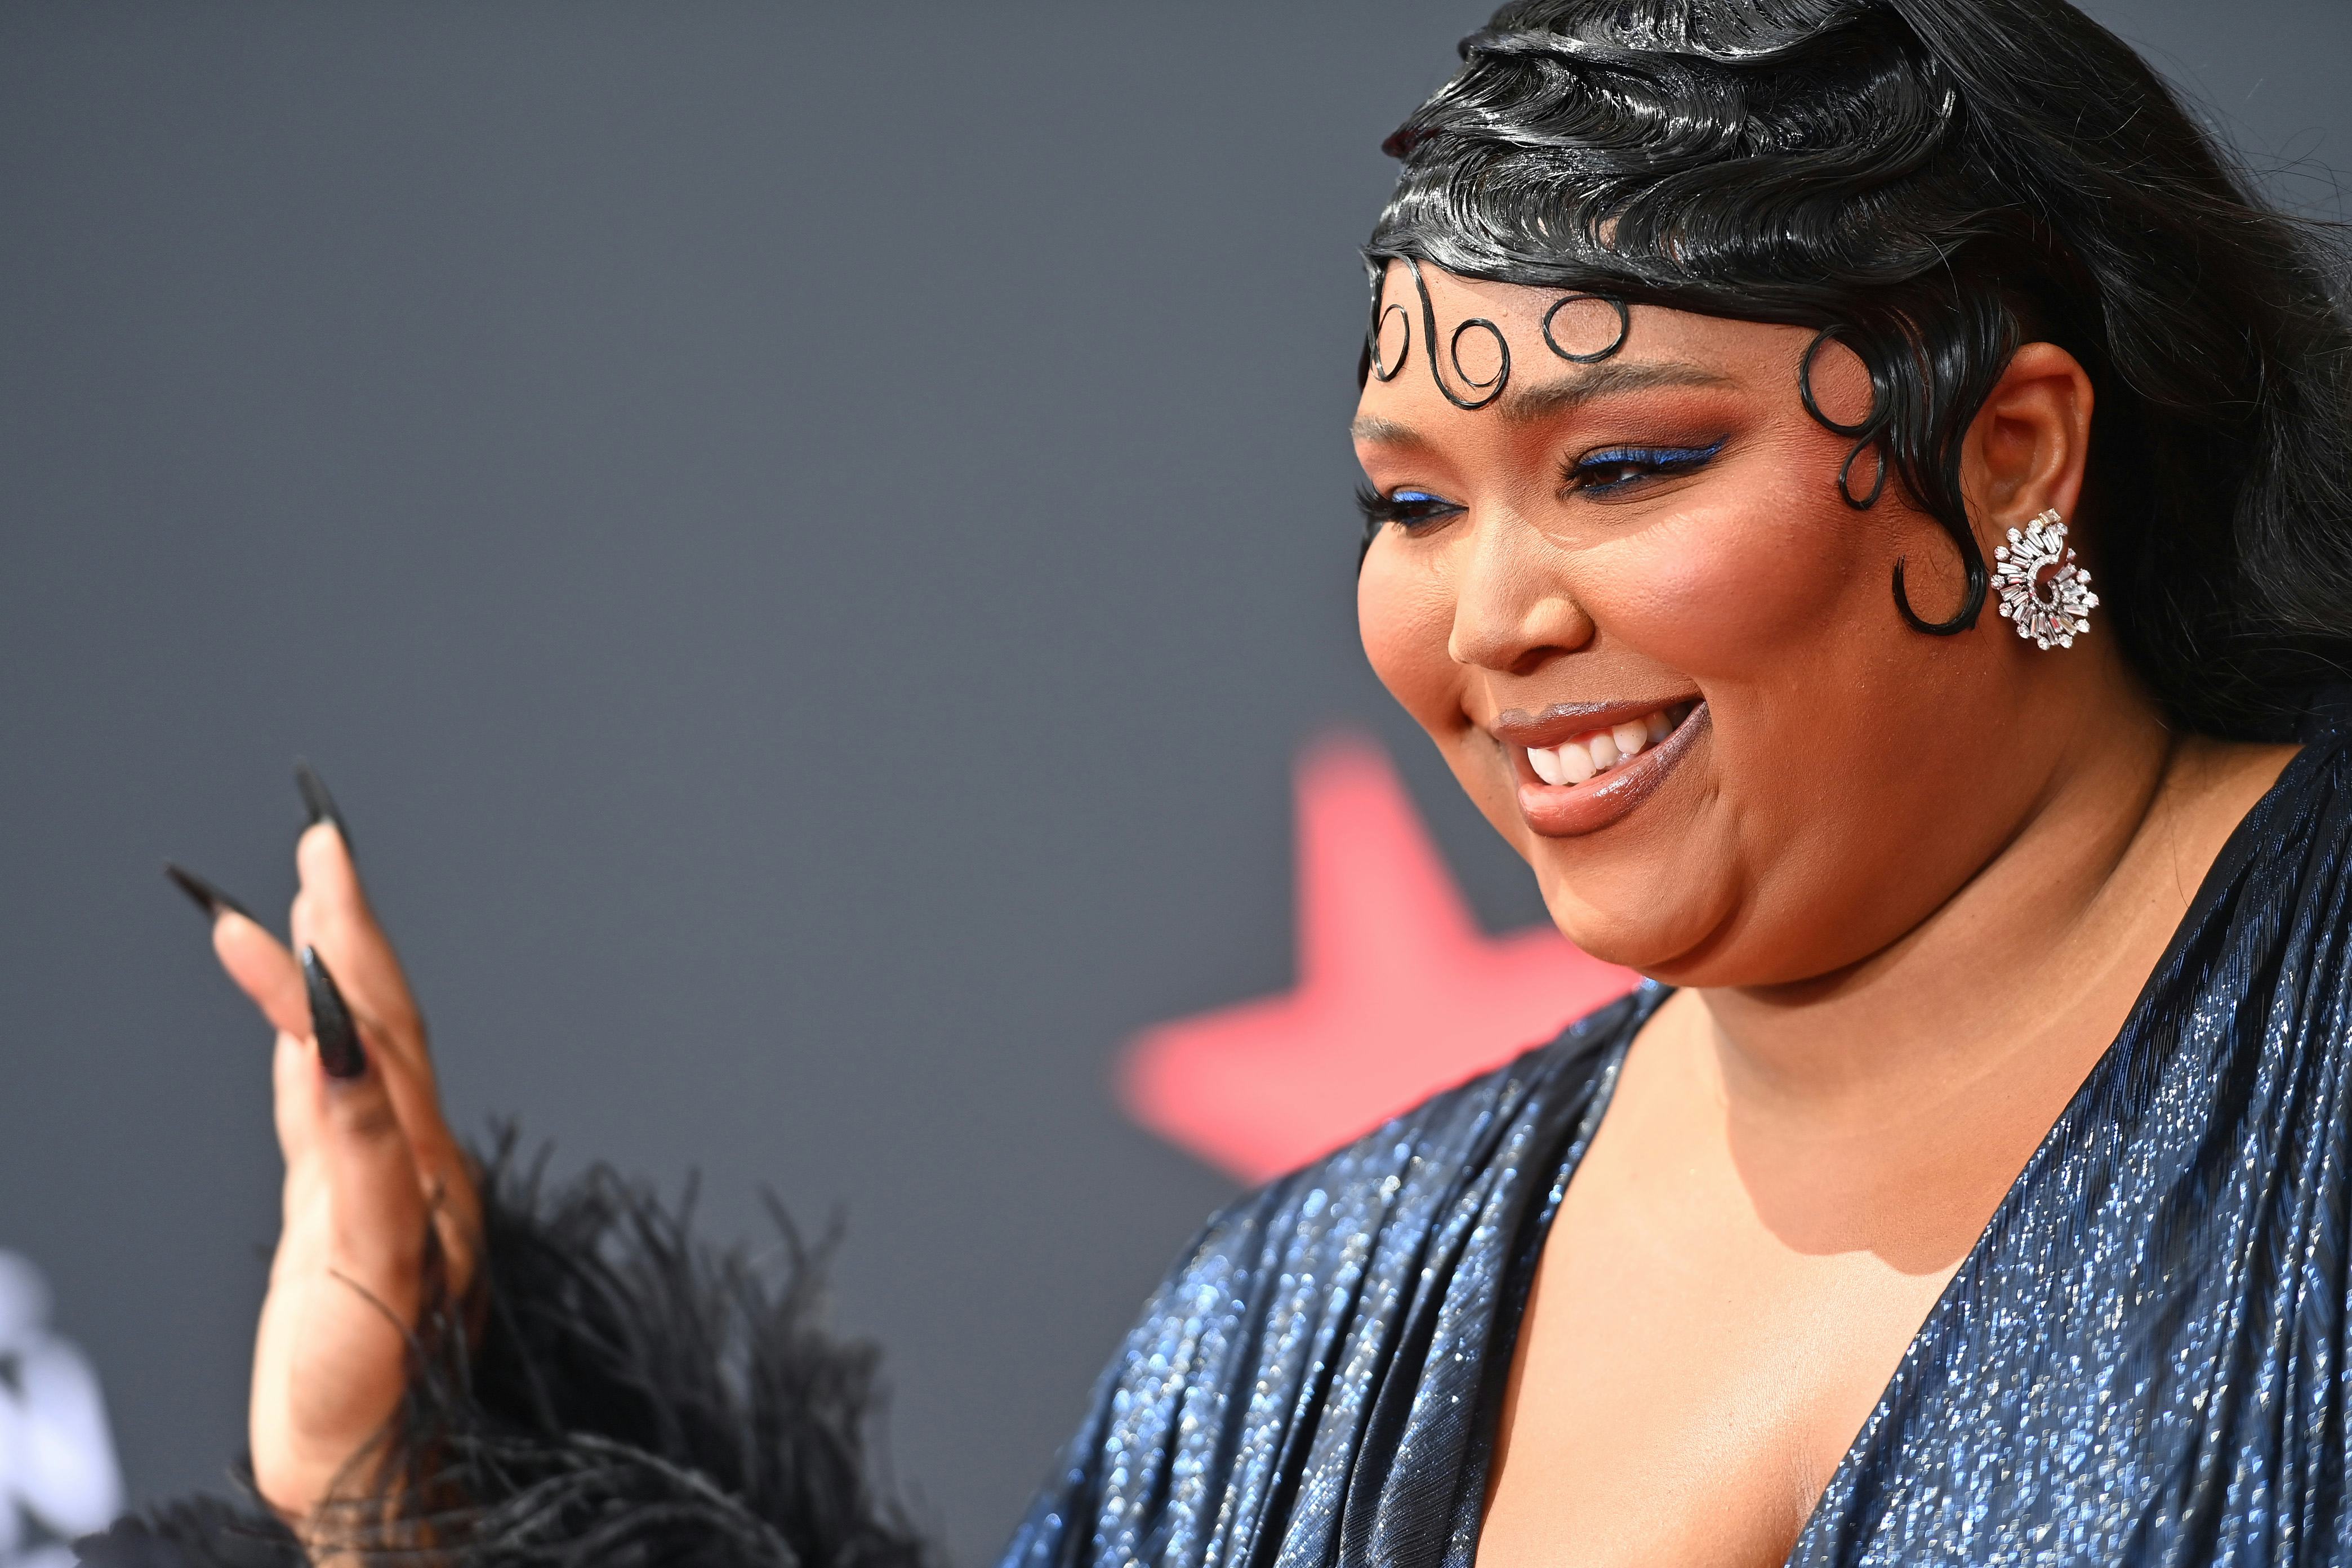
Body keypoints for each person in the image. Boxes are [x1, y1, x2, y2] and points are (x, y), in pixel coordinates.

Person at [81, 0, 2352, 1562]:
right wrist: (426, 1481)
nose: (1492, 618)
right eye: (1414, 506)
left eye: (1627, 464)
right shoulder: (1315, 1304)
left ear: (2014, 449)